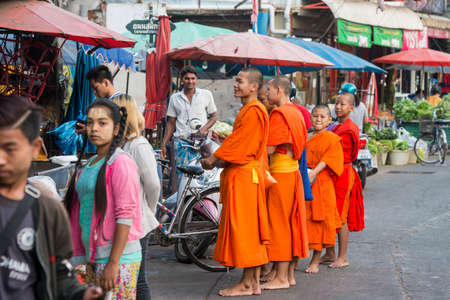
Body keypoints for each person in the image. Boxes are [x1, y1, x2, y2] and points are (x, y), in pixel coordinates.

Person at [0, 95, 102, 300]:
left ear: (35, 148)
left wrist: (79, 294)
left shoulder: (47, 210)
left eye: (10, 148)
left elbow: (60, 273)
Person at [200, 68, 270, 297]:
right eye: (235, 81)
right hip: (244, 176)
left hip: (245, 179)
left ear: (254, 87)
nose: (235, 84)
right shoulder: (249, 110)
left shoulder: (253, 111)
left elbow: (239, 145)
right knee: (249, 230)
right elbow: (240, 143)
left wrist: (212, 158)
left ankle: (248, 283)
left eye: (240, 81)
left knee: (245, 231)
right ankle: (252, 282)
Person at [65, 100, 143, 299]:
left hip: (119, 258)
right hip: (91, 256)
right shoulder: (91, 163)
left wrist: (113, 263)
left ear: (116, 128)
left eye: (102, 123)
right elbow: (78, 213)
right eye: (90, 123)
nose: (94, 129)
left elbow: (125, 215)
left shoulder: (121, 162)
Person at [261, 76, 308, 290]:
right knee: (289, 223)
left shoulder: (280, 114)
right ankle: (287, 275)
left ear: (279, 90)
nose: (267, 93)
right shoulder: (296, 112)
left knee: (278, 224)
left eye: (269, 89)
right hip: (292, 173)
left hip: (281, 174)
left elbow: (270, 149)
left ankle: (281, 277)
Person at [112, 95, 160, 300]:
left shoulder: (138, 145)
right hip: (123, 223)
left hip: (138, 222)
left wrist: (148, 211)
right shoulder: (120, 145)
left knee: (138, 280)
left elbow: (153, 185)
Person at [321, 93, 364, 268]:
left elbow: (343, 154)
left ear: (351, 108)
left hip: (342, 173)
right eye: (337, 103)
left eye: (343, 104)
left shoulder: (348, 128)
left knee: (341, 215)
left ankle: (343, 256)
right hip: (333, 171)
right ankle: (330, 252)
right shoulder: (335, 126)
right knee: (329, 212)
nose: (338, 107)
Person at [304, 105, 344, 273]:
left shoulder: (332, 138)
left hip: (321, 182)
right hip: (305, 180)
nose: (318, 119)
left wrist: (314, 172)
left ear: (329, 120)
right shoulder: (306, 136)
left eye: (322, 117)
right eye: (315, 116)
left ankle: (315, 260)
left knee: (320, 221)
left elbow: (329, 159)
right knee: (306, 220)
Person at [161, 66, 217, 180]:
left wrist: (203, 129)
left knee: (201, 175)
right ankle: (182, 197)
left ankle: (197, 198)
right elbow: (171, 123)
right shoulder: (175, 98)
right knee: (181, 176)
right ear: (182, 79)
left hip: (200, 144)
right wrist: (164, 143)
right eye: (187, 78)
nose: (190, 81)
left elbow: (214, 117)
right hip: (181, 143)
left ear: (196, 79)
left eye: (193, 78)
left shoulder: (206, 94)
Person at [76, 65, 122, 133]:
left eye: (96, 88)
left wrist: (90, 130)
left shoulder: (121, 102)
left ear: (106, 83)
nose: (94, 92)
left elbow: (118, 130)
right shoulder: (107, 103)